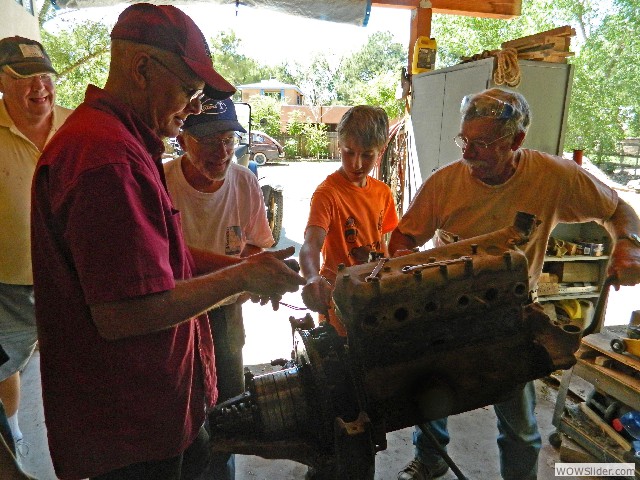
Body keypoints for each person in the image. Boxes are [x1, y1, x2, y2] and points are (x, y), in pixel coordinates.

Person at [30, 4, 304, 480]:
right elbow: (125, 312)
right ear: (141, 69)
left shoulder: (122, 143)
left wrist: (240, 271)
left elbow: (160, 259)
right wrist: (240, 275)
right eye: (190, 90)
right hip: (131, 430)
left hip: (158, 411)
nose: (196, 107)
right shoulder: (107, 160)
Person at [389, 87, 640, 480]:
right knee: (430, 397)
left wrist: (629, 246)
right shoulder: (445, 183)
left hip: (509, 316)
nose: (468, 154)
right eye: (465, 140)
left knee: (520, 427)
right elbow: (402, 239)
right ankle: (432, 461)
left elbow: (618, 210)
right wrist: (405, 273)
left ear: (517, 141)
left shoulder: (553, 177)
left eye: (483, 144)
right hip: (445, 310)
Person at [164, 98, 274, 480]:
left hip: (226, 311)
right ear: (183, 139)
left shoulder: (244, 181)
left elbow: (259, 244)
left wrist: (255, 272)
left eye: (229, 138)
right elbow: (162, 256)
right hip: (173, 312)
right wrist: (243, 271)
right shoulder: (161, 182)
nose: (222, 151)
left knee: (226, 409)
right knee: (176, 409)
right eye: (209, 140)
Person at [0, 35, 72, 472]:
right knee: (5, 367)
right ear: (1, 83)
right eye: (24, 77)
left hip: (72, 278)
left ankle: (78, 443)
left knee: (75, 365)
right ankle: (15, 434)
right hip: (6, 283)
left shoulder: (78, 124)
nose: (39, 87)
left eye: (45, 76)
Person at [300, 105, 399, 336]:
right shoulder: (327, 193)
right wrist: (312, 277)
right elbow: (311, 244)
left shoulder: (383, 192)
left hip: (377, 294)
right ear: (339, 145)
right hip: (338, 299)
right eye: (349, 152)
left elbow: (388, 242)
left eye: (367, 155)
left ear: (380, 151)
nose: (356, 164)